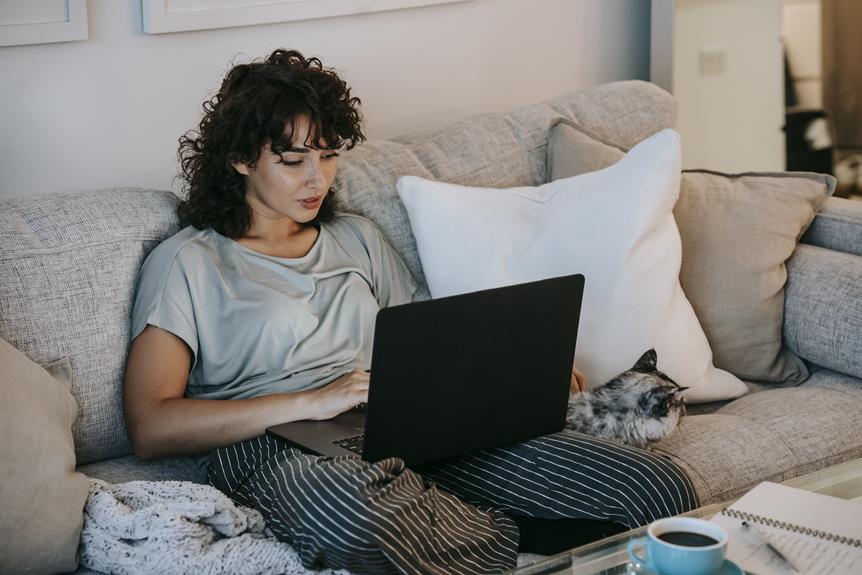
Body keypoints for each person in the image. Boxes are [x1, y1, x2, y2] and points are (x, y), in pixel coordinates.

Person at [124, 49, 698, 575]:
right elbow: (151, 426)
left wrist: (521, 372)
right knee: (357, 517)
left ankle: (447, 521)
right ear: (241, 159)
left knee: (655, 487)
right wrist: (309, 401)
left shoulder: (357, 237)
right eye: (294, 160)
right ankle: (528, 535)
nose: (317, 179)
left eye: (326, 157)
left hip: (402, 422)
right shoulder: (189, 263)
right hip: (274, 443)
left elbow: (434, 344)